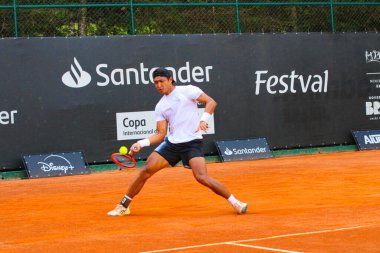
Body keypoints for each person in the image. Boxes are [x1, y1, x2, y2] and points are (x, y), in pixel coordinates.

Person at [107, 68, 248, 216]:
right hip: (172, 144)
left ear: (170, 79)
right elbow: (161, 133)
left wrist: (203, 120)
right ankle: (123, 206)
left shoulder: (188, 90)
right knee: (145, 170)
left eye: (161, 81)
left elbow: (210, 102)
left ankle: (236, 202)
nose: (159, 85)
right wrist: (141, 143)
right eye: (155, 83)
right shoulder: (160, 106)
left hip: (192, 143)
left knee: (201, 177)